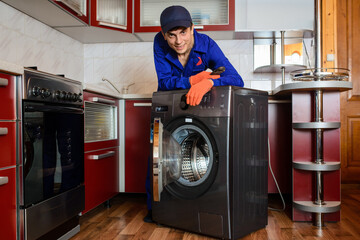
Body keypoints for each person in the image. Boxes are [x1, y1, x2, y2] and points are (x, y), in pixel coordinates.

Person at [143, 5, 244, 223]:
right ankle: (156, 210)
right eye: (172, 35)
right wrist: (191, 80)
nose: (178, 41)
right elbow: (164, 83)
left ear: (192, 29)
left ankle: (202, 206)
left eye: (183, 33)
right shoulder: (159, 43)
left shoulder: (206, 44)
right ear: (164, 35)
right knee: (158, 156)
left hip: (199, 106)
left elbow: (236, 79)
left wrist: (208, 81)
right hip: (168, 105)